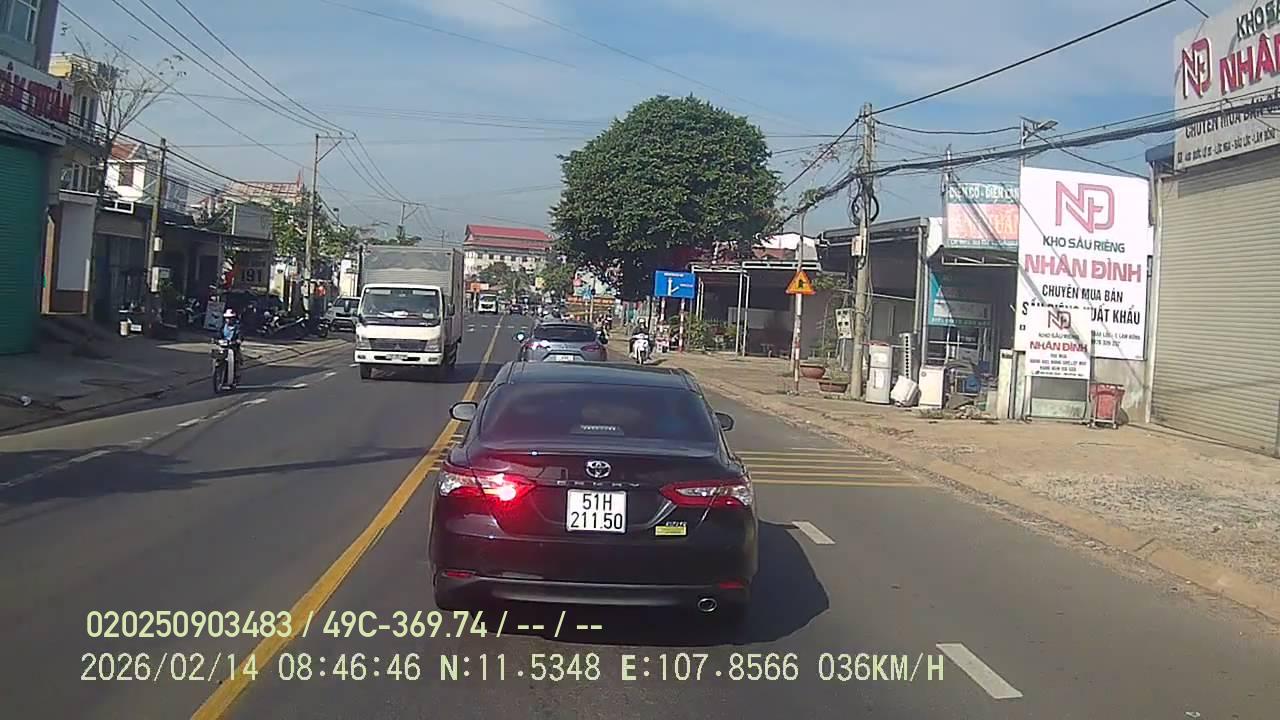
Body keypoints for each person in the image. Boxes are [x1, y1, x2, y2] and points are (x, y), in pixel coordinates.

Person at [219, 307, 243, 385]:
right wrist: (215, 339)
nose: (228, 320)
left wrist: (238, 340)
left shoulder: (237, 327)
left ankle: (236, 376)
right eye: (227, 318)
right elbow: (219, 334)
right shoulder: (223, 326)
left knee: (236, 361)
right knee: (219, 358)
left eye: (230, 318)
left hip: (234, 348)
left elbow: (240, 336)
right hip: (224, 347)